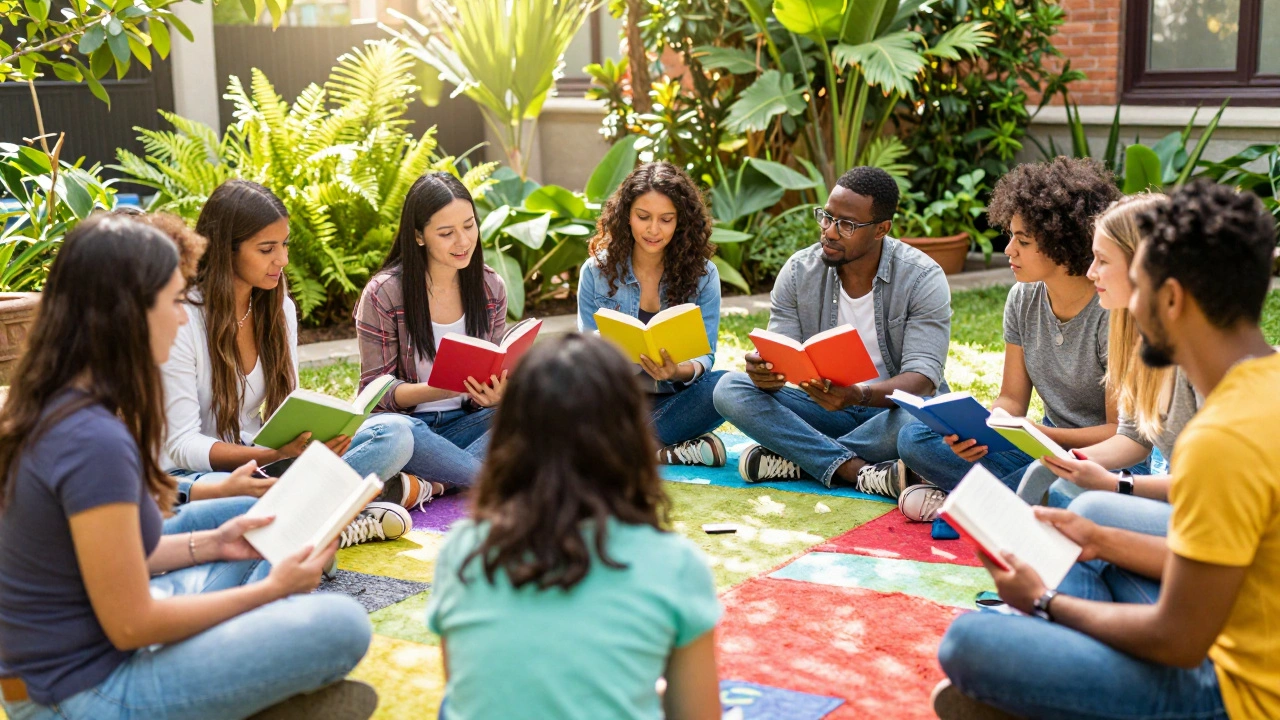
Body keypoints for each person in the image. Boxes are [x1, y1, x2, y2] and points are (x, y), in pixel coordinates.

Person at [0, 214, 375, 720]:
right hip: (79, 694)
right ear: (126, 312)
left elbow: (108, 560)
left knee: (243, 520)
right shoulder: (92, 440)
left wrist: (217, 543)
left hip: (70, 664)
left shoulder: (63, 402)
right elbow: (132, 625)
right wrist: (272, 589)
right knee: (342, 626)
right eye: (175, 300)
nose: (182, 318)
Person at [933, 179, 1280, 720]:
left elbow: (1178, 640)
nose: (1126, 307)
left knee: (967, 644)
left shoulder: (1223, 437)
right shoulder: (1264, 389)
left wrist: (1043, 602)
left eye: (1134, 284)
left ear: (1171, 298)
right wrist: (1098, 537)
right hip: (1235, 625)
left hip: (1232, 692)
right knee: (1082, 523)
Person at [426, 334, 722, 720]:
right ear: (630, 436)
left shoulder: (461, 549)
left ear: (511, 436)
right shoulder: (676, 564)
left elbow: (469, 689)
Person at [161, 180, 416, 549]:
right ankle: (331, 519)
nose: (281, 260)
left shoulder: (278, 309)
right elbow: (182, 444)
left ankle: (303, 519)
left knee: (394, 435)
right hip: (195, 474)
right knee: (238, 503)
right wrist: (273, 455)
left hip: (263, 461)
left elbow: (288, 408)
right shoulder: (183, 317)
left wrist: (314, 440)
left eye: (285, 245)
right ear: (224, 250)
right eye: (267, 249)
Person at [712, 166, 952, 509]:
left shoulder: (921, 277)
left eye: (847, 225)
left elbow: (924, 379)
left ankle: (798, 456)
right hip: (822, 405)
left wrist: (858, 395)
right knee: (729, 389)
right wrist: (765, 374)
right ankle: (857, 471)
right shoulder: (799, 271)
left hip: (888, 414)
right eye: (826, 217)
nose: (829, 232)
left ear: (881, 229)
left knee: (923, 419)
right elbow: (782, 358)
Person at [897, 157, 1127, 503]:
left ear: (1062, 241)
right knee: (914, 439)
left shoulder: (1110, 310)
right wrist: (988, 428)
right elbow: (1012, 398)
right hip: (1043, 447)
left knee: (1057, 487)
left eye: (1023, 240)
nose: (1009, 250)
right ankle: (1002, 501)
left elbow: (1117, 432)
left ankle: (974, 503)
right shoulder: (1022, 298)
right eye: (1011, 236)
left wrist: (1042, 434)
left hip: (1105, 461)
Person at [1022, 194, 1201, 536]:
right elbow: (1133, 437)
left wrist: (1117, 485)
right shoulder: (1137, 340)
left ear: (1144, 266)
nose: (1091, 273)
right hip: (1180, 502)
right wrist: (1073, 460)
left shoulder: (1199, 356)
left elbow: (1215, 487)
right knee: (1052, 484)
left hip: (1214, 518)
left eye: (1102, 261)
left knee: (1087, 508)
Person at [355, 172, 508, 491]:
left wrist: (497, 395)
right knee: (395, 435)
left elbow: (492, 372)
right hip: (410, 431)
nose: (464, 241)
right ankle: (480, 479)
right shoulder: (384, 293)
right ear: (419, 236)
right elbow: (375, 394)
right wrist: (440, 389)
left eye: (469, 226)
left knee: (531, 415)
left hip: (467, 425)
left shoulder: (490, 288)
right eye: (446, 233)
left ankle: (427, 484)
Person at [578, 162, 727, 467]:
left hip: (676, 400)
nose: (653, 230)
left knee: (727, 387)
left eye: (666, 219)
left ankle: (626, 448)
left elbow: (705, 357)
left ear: (681, 222)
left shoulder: (703, 275)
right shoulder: (596, 271)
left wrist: (676, 371)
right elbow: (585, 354)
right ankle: (664, 450)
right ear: (626, 216)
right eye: (643, 217)